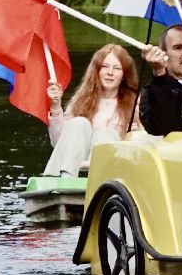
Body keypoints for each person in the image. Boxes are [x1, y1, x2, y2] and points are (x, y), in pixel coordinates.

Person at [43, 44, 142, 176]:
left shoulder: (135, 105)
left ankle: (96, 178)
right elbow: (58, 143)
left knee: (105, 134)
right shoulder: (80, 100)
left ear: (124, 74)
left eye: (117, 68)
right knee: (79, 123)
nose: (110, 73)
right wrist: (56, 106)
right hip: (74, 168)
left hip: (111, 173)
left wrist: (137, 134)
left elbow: (142, 149)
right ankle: (66, 182)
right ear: (97, 71)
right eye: (105, 66)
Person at [138, 24, 182, 136]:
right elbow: (159, 128)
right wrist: (159, 72)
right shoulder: (153, 91)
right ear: (164, 54)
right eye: (178, 47)